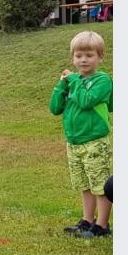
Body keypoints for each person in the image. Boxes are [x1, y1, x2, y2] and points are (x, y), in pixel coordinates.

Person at [49, 31, 113, 238]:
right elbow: (55, 108)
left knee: (99, 185)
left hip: (95, 142)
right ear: (73, 57)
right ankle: (87, 221)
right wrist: (61, 85)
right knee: (84, 184)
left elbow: (86, 101)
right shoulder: (72, 81)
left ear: (100, 57)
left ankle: (102, 226)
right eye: (78, 55)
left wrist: (73, 82)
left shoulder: (103, 80)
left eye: (89, 55)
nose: (83, 60)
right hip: (74, 142)